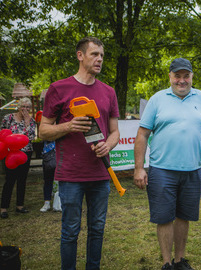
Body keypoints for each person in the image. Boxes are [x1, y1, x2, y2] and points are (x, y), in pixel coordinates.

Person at [133, 58, 201, 270]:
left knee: (184, 216)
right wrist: (139, 168)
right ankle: (166, 263)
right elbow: (142, 134)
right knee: (164, 217)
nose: (181, 80)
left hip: (193, 170)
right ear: (170, 77)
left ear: (192, 76)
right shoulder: (157, 99)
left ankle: (179, 260)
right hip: (162, 170)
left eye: (186, 76)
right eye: (177, 76)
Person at [39, 37, 120, 270]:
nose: (99, 59)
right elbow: (43, 130)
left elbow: (115, 132)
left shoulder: (108, 91)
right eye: (94, 54)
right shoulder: (59, 88)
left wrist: (109, 144)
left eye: (102, 56)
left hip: (100, 174)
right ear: (80, 55)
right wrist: (68, 126)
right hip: (71, 175)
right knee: (70, 230)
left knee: (97, 229)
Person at [1, 97, 36, 218]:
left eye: (27, 107)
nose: (25, 109)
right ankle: (3, 208)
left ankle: (19, 206)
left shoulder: (31, 120)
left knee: (22, 179)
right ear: (19, 106)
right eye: (23, 106)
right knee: (9, 180)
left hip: (26, 152)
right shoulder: (9, 117)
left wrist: (27, 122)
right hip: (10, 153)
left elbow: (31, 137)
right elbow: (2, 133)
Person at [39, 140, 56, 212]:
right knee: (48, 179)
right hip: (48, 153)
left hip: (63, 151)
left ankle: (60, 202)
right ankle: (47, 202)